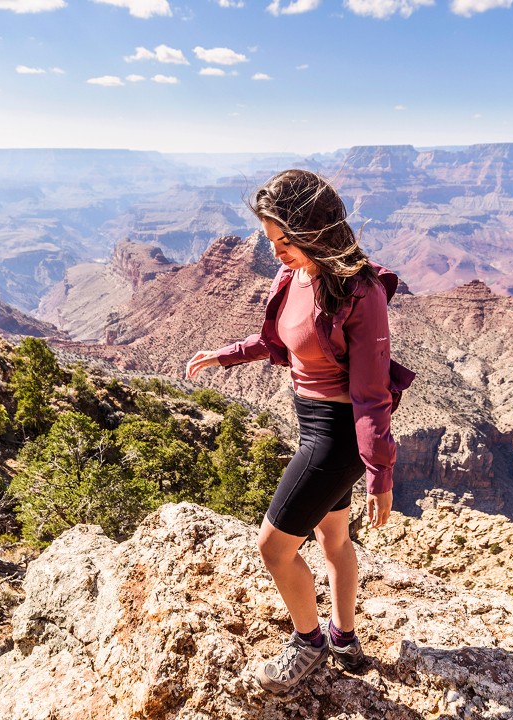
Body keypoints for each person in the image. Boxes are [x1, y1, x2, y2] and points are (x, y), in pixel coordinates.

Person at [186, 169, 414, 694]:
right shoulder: (293, 277)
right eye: (270, 241)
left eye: (286, 240)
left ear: (318, 230)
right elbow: (280, 341)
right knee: (333, 537)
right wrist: (227, 355)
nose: (277, 252)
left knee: (273, 548)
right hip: (308, 420)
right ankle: (343, 638)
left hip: (336, 437)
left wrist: (381, 471)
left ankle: (307, 643)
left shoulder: (363, 292)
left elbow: (372, 395)